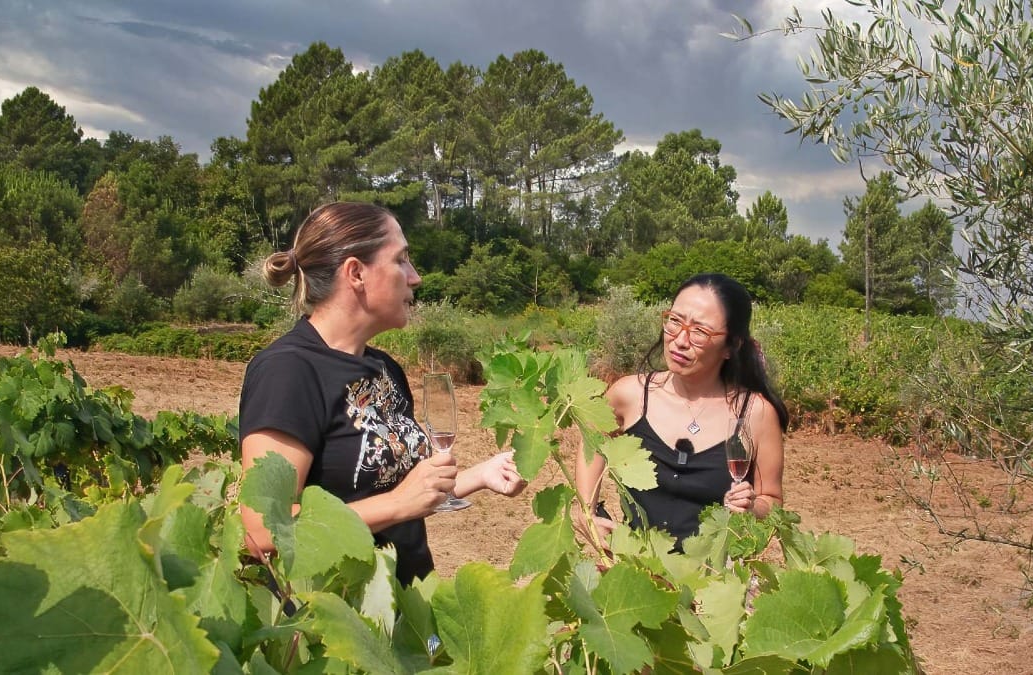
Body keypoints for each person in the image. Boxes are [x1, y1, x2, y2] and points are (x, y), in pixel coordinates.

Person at [238, 201, 526, 585]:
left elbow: (404, 487)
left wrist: (483, 474)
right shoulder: (288, 372)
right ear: (356, 273)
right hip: (340, 624)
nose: (415, 277)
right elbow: (261, 532)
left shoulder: (384, 367)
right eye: (402, 260)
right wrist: (396, 504)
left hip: (408, 609)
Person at [576, 273, 789, 549]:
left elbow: (771, 500)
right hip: (635, 571)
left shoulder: (755, 413)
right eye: (674, 321)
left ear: (731, 346)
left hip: (714, 583)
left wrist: (752, 509)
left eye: (700, 331)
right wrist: (586, 511)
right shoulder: (630, 395)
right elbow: (591, 442)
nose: (680, 340)